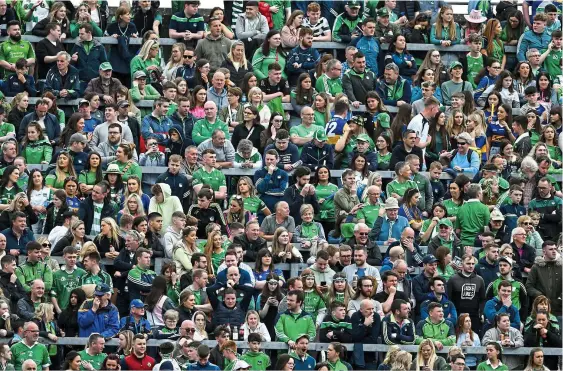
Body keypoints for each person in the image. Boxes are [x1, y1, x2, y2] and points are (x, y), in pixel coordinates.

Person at [447, 255, 486, 334]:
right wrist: (450, 312)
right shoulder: (453, 279)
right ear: (462, 264)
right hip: (458, 314)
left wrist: (481, 313)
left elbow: (482, 299)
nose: (471, 266)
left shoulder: (480, 280)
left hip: (474, 316)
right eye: (468, 263)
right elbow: (449, 299)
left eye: (472, 264)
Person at [526, 241, 562, 317]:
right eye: (551, 249)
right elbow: (529, 286)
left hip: (559, 309)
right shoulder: (536, 267)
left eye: (555, 249)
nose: (554, 251)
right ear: (544, 251)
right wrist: (540, 296)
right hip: (541, 309)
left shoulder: (561, 267)